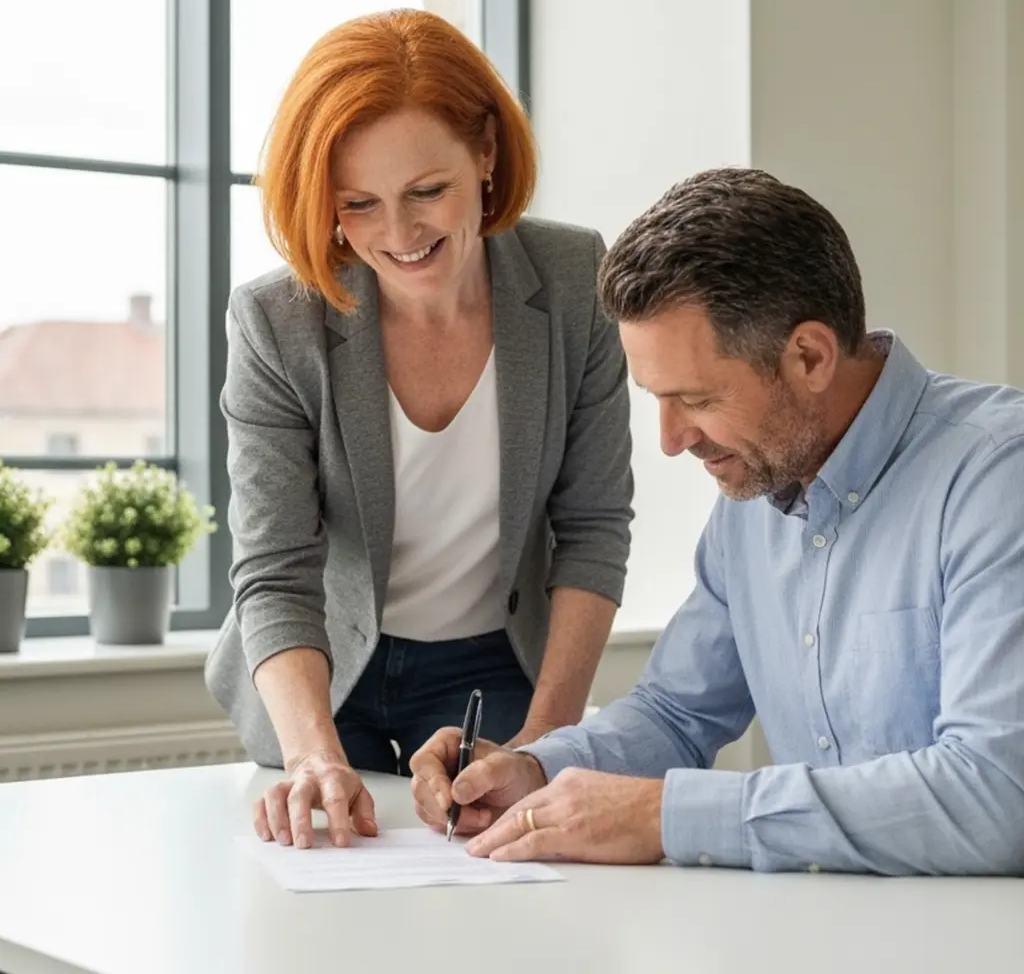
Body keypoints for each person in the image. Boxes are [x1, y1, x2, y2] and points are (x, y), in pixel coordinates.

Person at [410, 167, 1024, 876]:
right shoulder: (754, 489)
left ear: (809, 356)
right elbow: (677, 714)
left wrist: (663, 817)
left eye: (696, 400)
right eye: (658, 400)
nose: (672, 440)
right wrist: (534, 770)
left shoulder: (995, 479)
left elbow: (996, 796)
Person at [204, 9, 633, 850]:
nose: (398, 236)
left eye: (425, 192)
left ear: (486, 154)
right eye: (357, 205)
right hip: (324, 674)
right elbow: (275, 570)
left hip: (497, 671)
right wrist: (313, 757)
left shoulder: (576, 280)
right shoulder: (275, 321)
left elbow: (591, 530)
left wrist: (545, 745)